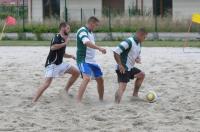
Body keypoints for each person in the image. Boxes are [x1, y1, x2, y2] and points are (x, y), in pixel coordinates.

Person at [32, 22, 80, 102]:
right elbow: (53, 47)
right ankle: (34, 100)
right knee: (47, 84)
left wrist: (71, 56)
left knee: (76, 72)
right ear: (62, 28)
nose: (69, 30)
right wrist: (65, 43)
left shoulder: (63, 39)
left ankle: (65, 91)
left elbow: (62, 53)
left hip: (60, 64)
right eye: (68, 28)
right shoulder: (57, 37)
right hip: (52, 65)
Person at [76, 16, 107, 103]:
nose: (96, 27)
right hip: (83, 60)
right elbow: (86, 43)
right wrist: (99, 48)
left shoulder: (91, 33)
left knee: (100, 80)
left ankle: (101, 100)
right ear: (91, 23)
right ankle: (78, 101)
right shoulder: (82, 31)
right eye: (95, 25)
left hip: (91, 61)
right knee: (86, 78)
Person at [113, 28, 148, 103]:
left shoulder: (139, 43)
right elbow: (116, 52)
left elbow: (135, 54)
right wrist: (120, 65)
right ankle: (116, 104)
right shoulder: (129, 42)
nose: (145, 39)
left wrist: (137, 59)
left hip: (130, 68)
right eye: (144, 37)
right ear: (139, 35)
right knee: (122, 87)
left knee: (141, 75)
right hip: (123, 68)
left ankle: (134, 96)